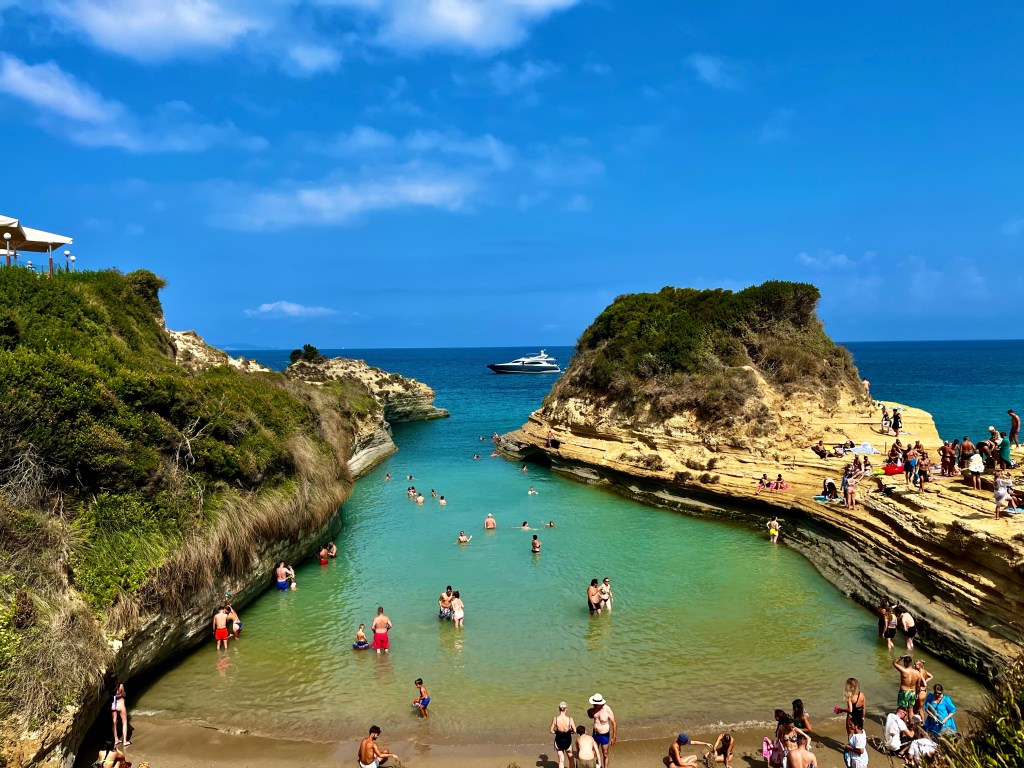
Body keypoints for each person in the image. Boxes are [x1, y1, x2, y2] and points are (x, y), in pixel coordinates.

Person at [588, 693, 616, 768]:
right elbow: (591, 716)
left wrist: (613, 737)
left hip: (604, 735)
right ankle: (596, 766)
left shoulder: (607, 709)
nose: (594, 705)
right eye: (594, 703)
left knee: (605, 753)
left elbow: (614, 723)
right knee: (594, 752)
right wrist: (590, 712)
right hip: (595, 734)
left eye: (596, 704)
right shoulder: (594, 708)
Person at [550, 702, 576, 768]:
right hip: (567, 741)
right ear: (566, 709)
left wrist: (556, 732)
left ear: (559, 709)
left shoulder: (555, 719)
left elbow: (551, 731)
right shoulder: (570, 719)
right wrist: (570, 732)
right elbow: (575, 731)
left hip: (559, 741)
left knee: (561, 761)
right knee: (571, 760)